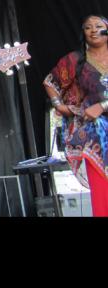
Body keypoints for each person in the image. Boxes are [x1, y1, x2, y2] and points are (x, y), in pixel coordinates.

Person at [43, 14, 108, 216]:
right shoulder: (75, 60)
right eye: (88, 27)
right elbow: (50, 82)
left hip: (100, 117)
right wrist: (59, 105)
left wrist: (102, 106)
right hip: (94, 136)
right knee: (103, 195)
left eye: (98, 26)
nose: (93, 30)